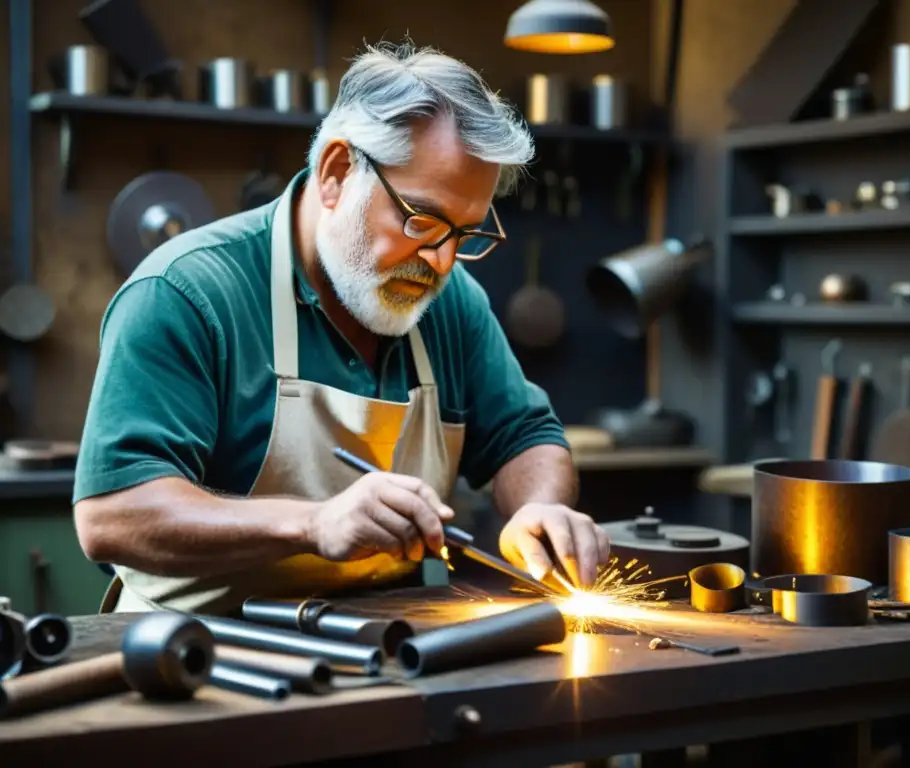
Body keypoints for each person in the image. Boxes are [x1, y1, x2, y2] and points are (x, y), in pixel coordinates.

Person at [73, 42, 611, 614]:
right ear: (335, 173)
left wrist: (538, 508)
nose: (442, 262)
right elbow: (112, 514)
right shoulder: (186, 292)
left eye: (465, 234)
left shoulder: (452, 304)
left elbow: (525, 437)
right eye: (422, 221)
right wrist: (311, 523)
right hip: (195, 656)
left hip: (382, 645)